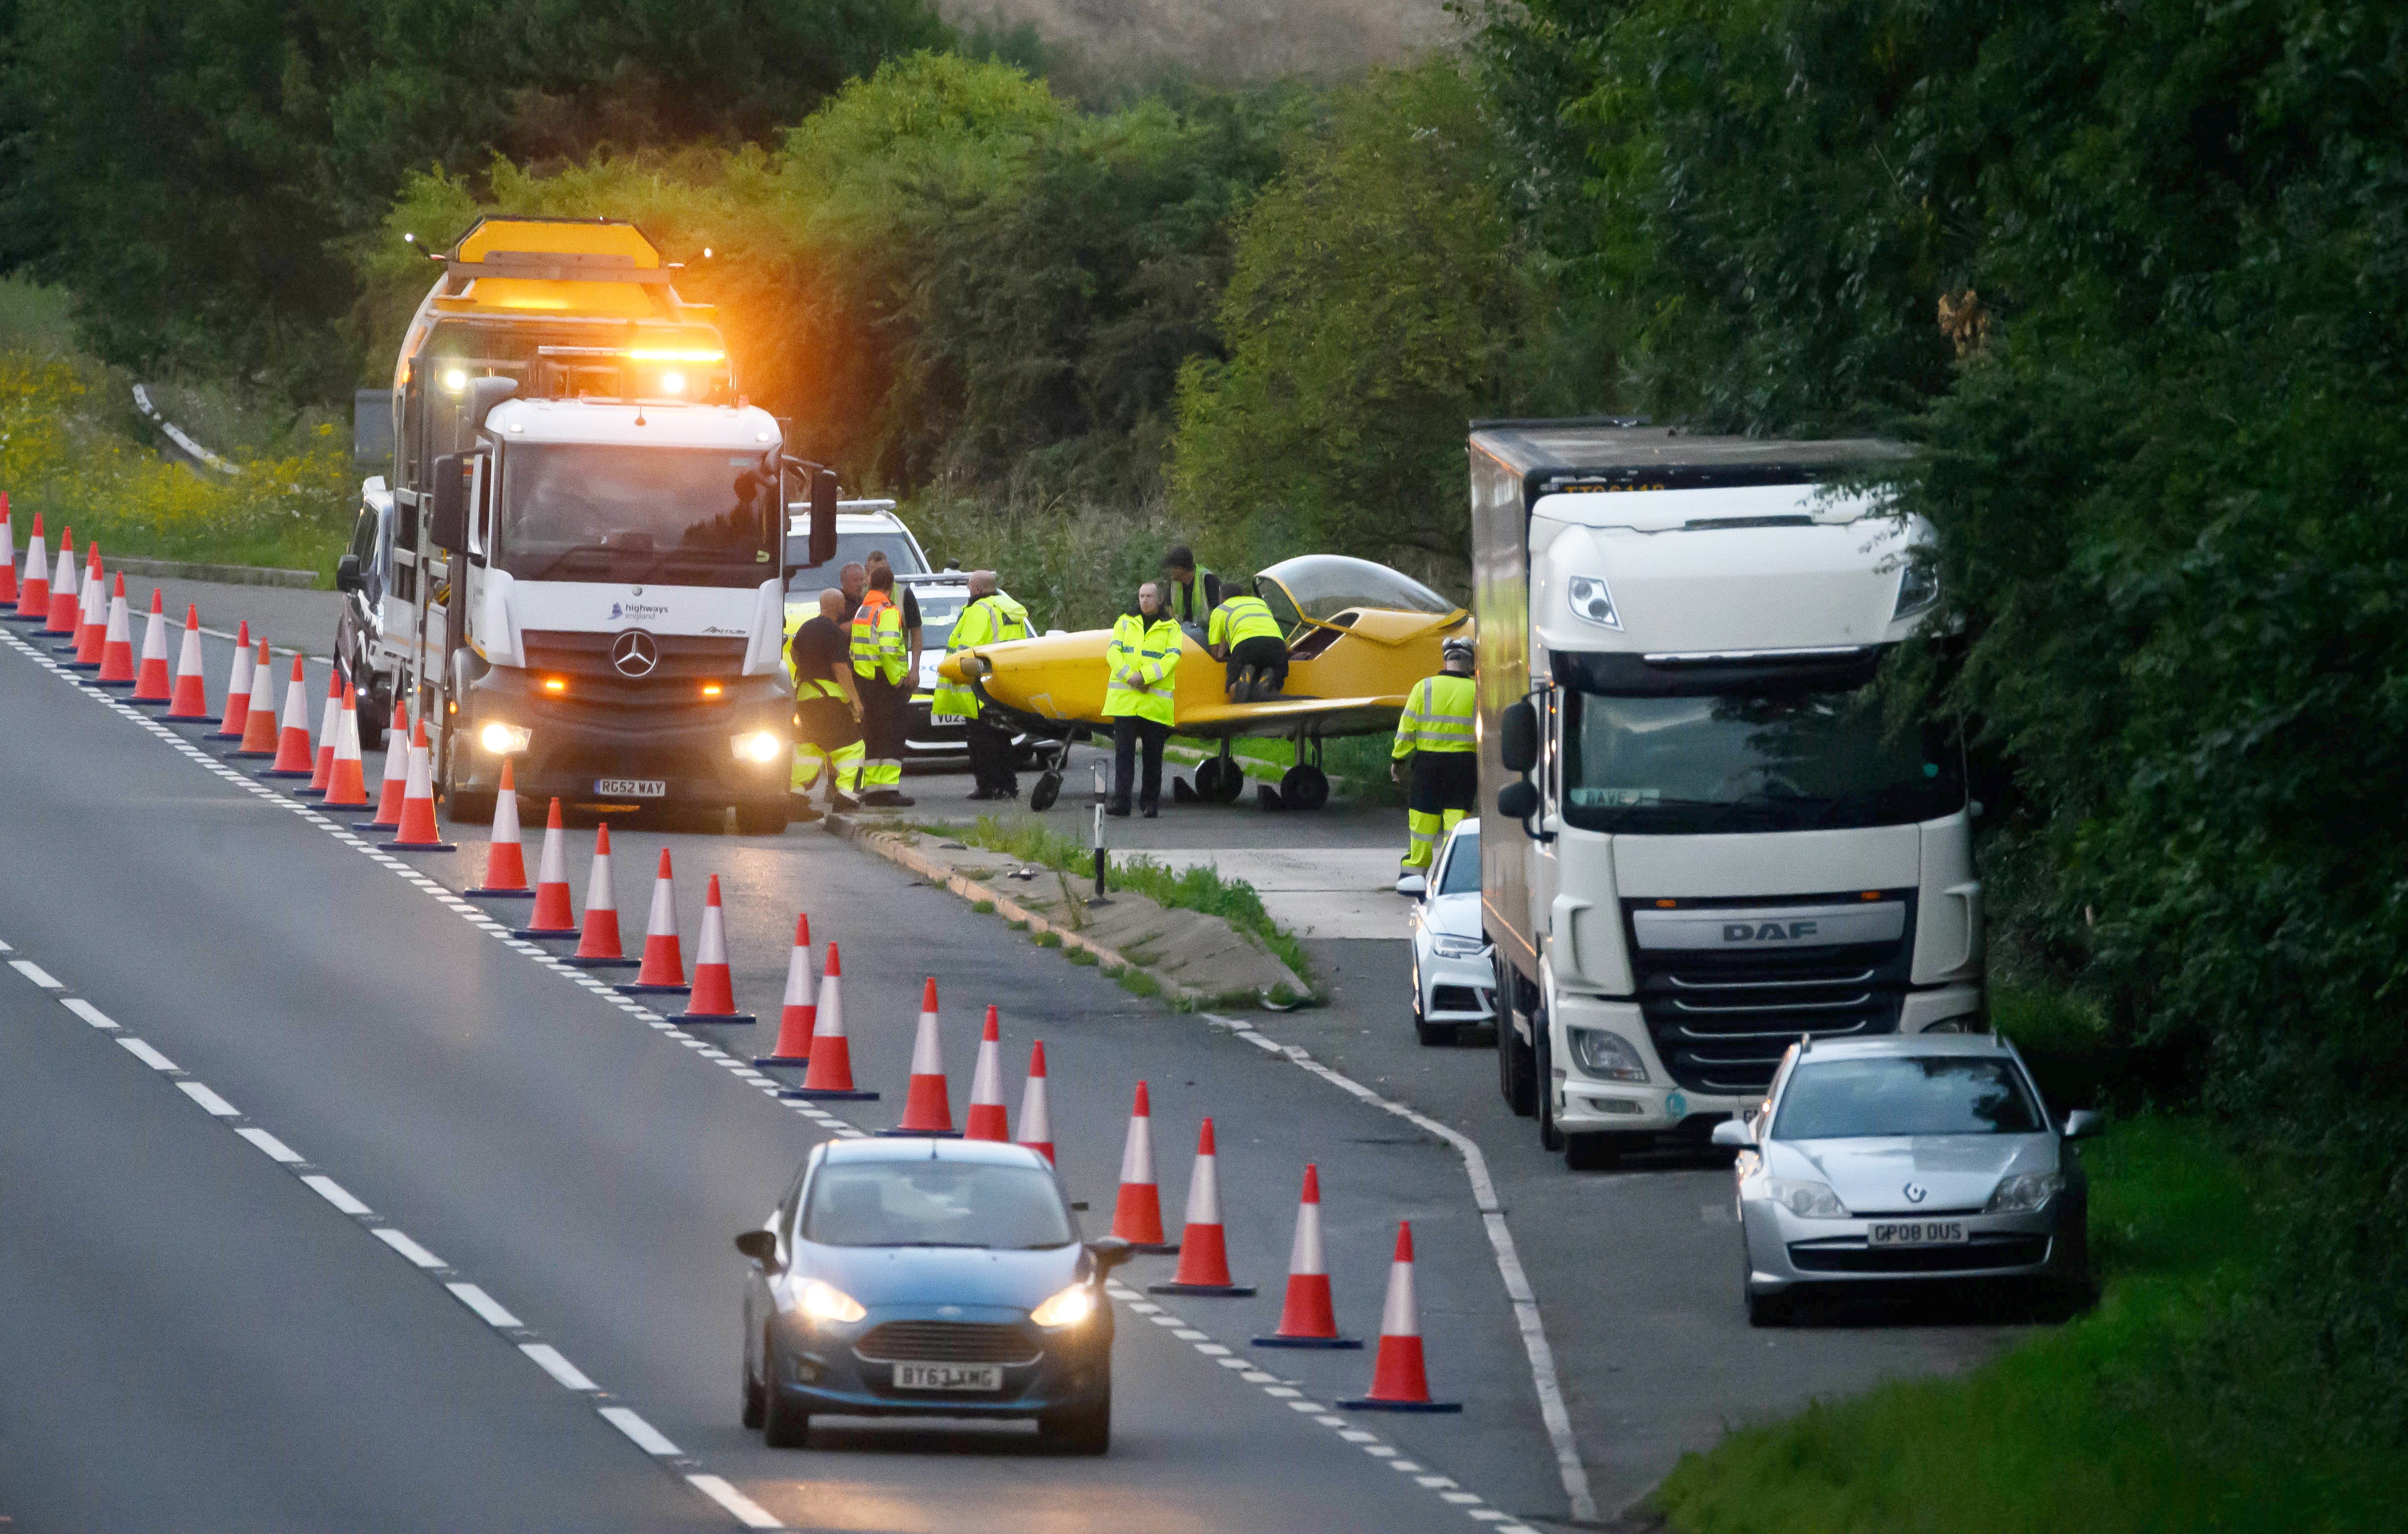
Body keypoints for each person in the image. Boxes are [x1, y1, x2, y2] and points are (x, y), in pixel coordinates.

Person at [1390, 634, 1477, 891]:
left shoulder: (1423, 688)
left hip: (1427, 767)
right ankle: (1454, 880)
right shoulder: (1478, 691)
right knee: (1456, 825)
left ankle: (1412, 879)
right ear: (1471, 663)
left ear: (1446, 659)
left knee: (1422, 825)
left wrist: (1398, 759)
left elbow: (1406, 728)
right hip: (1464, 767)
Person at [1104, 581, 1181, 817]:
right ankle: (1122, 802)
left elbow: (1173, 658)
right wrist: (1130, 677)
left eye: (1149, 596)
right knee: (1124, 755)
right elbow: (1113, 653)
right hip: (1126, 702)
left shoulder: (1171, 628)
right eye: (1141, 596)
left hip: (1154, 703)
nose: (1145, 600)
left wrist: (1146, 677)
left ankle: (1150, 804)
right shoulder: (1124, 622)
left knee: (1153, 758)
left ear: (1159, 600)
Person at [789, 588, 863, 814]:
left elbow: (793, 652)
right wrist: (855, 701)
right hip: (829, 701)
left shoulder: (806, 627)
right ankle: (847, 797)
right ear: (839, 606)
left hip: (806, 698)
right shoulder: (834, 632)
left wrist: (807, 669)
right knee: (852, 747)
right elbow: (840, 668)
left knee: (810, 748)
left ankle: (796, 797)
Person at [850, 563, 914, 807]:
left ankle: (874, 790)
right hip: (885, 683)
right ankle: (887, 791)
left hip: (866, 681)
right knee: (891, 735)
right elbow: (888, 650)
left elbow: (856, 650)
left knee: (873, 736)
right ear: (891, 586)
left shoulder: (863, 610)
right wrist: (897, 679)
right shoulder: (887, 611)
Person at [1205, 578, 1288, 702]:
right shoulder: (1260, 603)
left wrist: (1221, 660)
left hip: (1246, 645)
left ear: (1222, 598)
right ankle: (1266, 685)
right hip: (1278, 645)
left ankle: (1240, 687)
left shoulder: (1221, 610)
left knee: (1232, 687)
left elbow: (1214, 647)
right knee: (1274, 679)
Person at [864, 550, 924, 680]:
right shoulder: (861, 596)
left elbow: (916, 632)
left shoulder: (904, 594)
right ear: (867, 572)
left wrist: (915, 670)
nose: (882, 576)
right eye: (877, 573)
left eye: (885, 571)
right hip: (868, 675)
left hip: (897, 673)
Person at [1160, 546, 1222, 633]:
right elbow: (1170, 609)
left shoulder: (1207, 579)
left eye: (1171, 569)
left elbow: (1220, 610)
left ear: (1180, 569)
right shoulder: (1174, 583)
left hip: (1207, 633)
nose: (1169, 573)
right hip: (1182, 634)